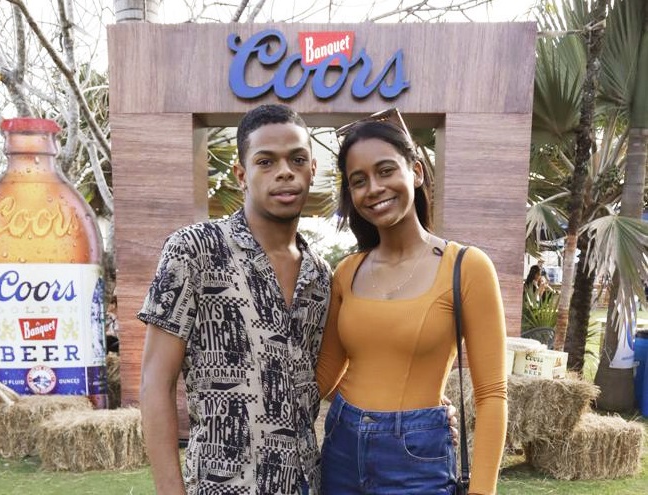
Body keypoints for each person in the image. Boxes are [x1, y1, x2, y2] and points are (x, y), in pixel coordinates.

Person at [137, 104, 458, 495]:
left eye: (297, 159)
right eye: (266, 162)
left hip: (306, 483)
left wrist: (418, 411)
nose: (284, 172)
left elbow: (319, 377)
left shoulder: (321, 275)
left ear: (312, 170)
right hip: (223, 485)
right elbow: (155, 381)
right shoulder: (194, 249)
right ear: (241, 175)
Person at [315, 109, 508, 494]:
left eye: (386, 170)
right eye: (358, 180)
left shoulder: (466, 267)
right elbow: (325, 375)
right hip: (341, 445)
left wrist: (482, 490)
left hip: (417, 458)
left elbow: (491, 395)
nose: (373, 188)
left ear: (416, 172)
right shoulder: (347, 271)